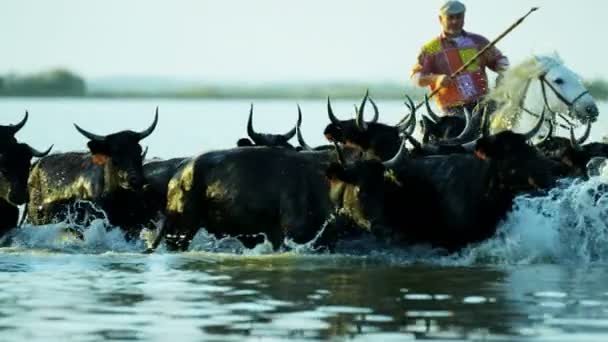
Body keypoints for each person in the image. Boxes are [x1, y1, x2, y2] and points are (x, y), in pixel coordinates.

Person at [411, 0, 509, 117]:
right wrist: (436, 79)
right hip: (451, 112)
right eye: (450, 17)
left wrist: (505, 72)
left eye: (459, 17)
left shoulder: (479, 42)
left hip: (482, 105)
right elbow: (416, 78)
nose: (455, 21)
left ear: (464, 17)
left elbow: (499, 60)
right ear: (440, 19)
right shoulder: (430, 49)